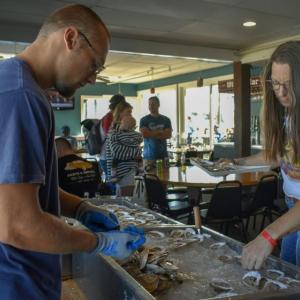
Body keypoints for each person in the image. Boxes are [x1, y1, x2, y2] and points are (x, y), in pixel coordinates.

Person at [0, 4, 145, 299]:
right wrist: (98, 242)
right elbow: (17, 225)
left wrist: (80, 208)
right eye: (94, 65)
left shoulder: (15, 83)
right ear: (71, 38)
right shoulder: (22, 97)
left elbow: (27, 189)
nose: (93, 78)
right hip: (16, 282)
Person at [219, 41, 300, 270]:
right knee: (289, 277)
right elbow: (278, 155)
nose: (281, 93)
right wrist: (237, 162)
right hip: (292, 211)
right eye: (276, 84)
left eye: (289, 84)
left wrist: (268, 235)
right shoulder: (289, 115)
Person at [109, 115, 143, 196]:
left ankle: (113, 174)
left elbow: (118, 153)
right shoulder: (136, 135)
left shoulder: (117, 135)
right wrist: (136, 152)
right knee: (122, 196)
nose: (120, 124)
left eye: (122, 123)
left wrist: (135, 152)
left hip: (127, 170)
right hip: (128, 168)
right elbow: (117, 151)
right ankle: (141, 170)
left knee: (125, 198)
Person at [140, 96, 172, 170]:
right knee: (149, 179)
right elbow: (145, 134)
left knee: (165, 179)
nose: (151, 106)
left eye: (153, 104)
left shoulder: (166, 120)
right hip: (148, 157)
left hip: (164, 156)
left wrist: (151, 133)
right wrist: (160, 131)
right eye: (149, 104)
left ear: (158, 105)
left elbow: (168, 135)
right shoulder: (144, 120)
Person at [99, 94, 126, 177]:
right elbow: (112, 136)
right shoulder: (109, 117)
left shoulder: (115, 117)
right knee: (113, 184)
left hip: (114, 156)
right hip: (108, 157)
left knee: (117, 184)